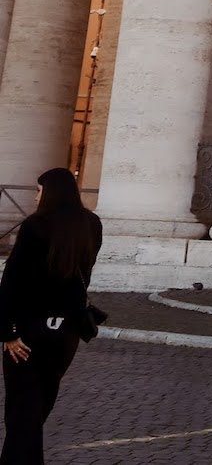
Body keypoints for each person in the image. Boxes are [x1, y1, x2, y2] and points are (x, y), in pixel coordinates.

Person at [0, 168, 103, 464]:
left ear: (50, 192)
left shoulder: (36, 225)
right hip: (67, 331)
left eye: (38, 190)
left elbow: (13, 280)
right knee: (39, 405)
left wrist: (7, 331)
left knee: (22, 412)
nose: (35, 196)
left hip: (29, 329)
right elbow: (85, 273)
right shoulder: (92, 225)